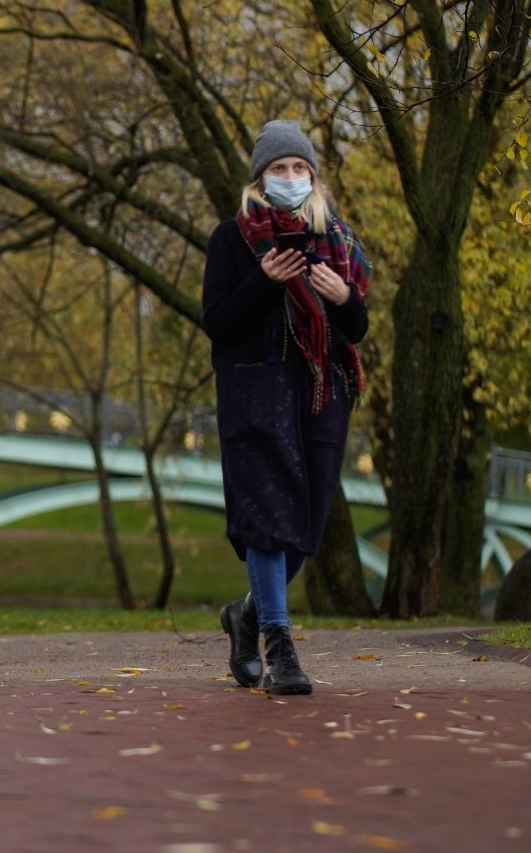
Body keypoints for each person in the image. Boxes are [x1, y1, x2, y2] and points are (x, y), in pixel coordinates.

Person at [202, 120, 369, 695]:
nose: (291, 178)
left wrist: (342, 297)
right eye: (280, 168)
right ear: (259, 179)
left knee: (302, 529)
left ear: (314, 179)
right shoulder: (232, 240)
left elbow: (357, 329)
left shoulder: (339, 242)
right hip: (255, 395)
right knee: (268, 525)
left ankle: (244, 615)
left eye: (301, 169)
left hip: (320, 395)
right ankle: (280, 645)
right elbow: (218, 323)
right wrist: (265, 282)